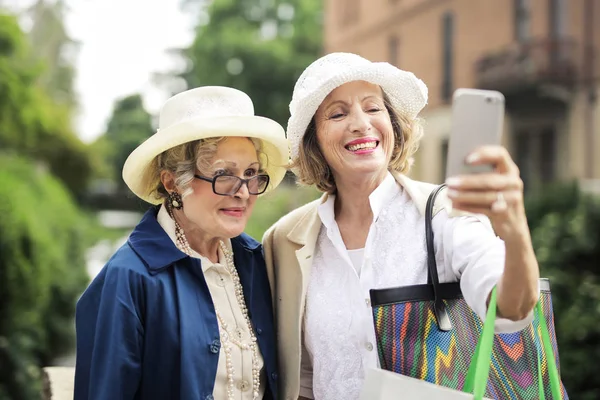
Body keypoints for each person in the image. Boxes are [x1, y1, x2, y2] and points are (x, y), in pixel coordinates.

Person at [262, 52, 541, 400]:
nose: (361, 123)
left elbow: (511, 309)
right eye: (338, 113)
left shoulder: (446, 213)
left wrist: (514, 230)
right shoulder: (285, 241)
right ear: (313, 141)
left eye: (373, 108)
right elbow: (300, 380)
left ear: (393, 125)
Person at [74, 86, 289, 400]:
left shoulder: (257, 261)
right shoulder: (128, 279)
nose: (243, 191)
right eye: (224, 174)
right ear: (173, 182)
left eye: (252, 173)